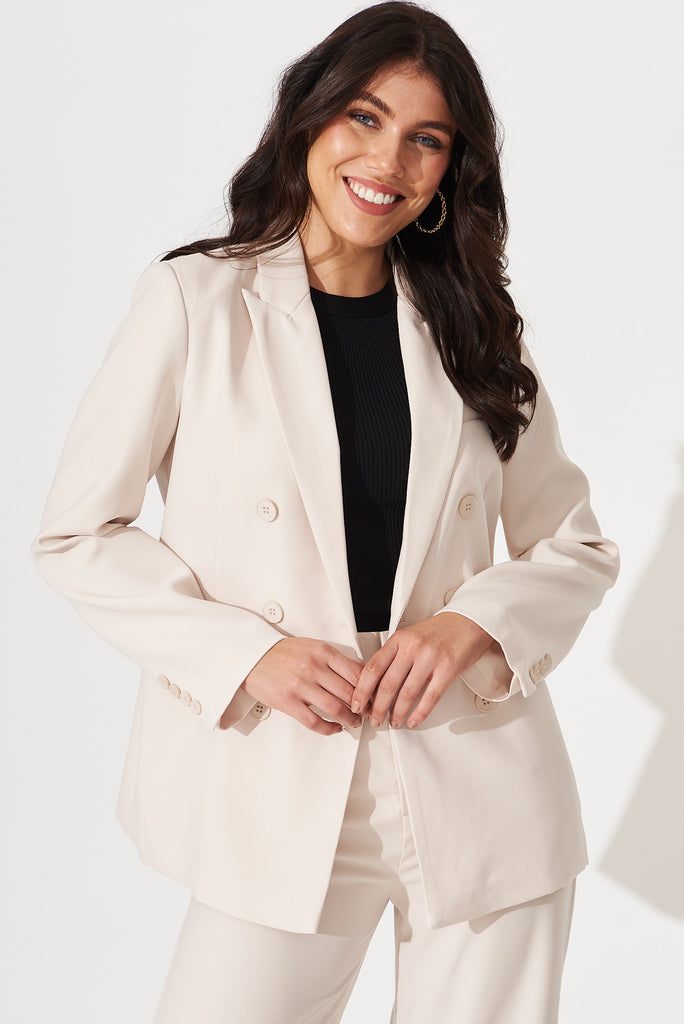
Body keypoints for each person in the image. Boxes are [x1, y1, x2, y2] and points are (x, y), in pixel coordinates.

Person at [31, 3, 619, 1021]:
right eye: (365, 117)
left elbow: (575, 544)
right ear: (310, 117)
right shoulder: (195, 303)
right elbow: (79, 535)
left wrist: (471, 625)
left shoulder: (476, 328)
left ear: (451, 170)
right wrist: (246, 653)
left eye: (427, 139)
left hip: (478, 772)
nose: (388, 161)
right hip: (283, 768)